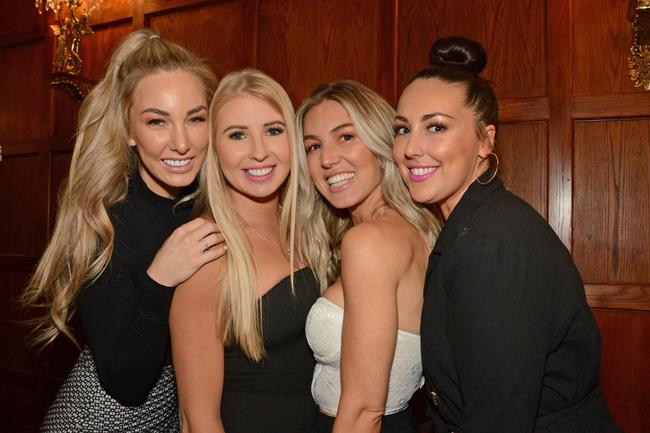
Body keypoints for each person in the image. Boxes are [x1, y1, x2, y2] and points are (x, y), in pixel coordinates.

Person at [392, 36, 622, 433]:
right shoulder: (473, 222)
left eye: (436, 127)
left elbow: (498, 419)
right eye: (402, 129)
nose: (411, 147)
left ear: (485, 139)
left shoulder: (492, 242)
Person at [21, 29, 225, 432]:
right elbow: (126, 384)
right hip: (100, 420)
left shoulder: (209, 204)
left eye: (196, 118)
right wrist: (160, 278)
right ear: (130, 131)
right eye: (157, 122)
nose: (182, 143)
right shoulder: (105, 220)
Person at [170, 68, 320, 433]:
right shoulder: (206, 250)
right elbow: (198, 419)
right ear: (214, 147)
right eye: (237, 135)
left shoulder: (309, 228)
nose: (259, 152)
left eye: (273, 130)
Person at [296, 80, 441, 433]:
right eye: (313, 146)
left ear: (381, 143)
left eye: (346, 137)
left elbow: (364, 410)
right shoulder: (417, 228)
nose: (327, 159)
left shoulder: (370, 241)